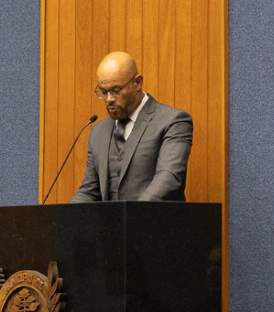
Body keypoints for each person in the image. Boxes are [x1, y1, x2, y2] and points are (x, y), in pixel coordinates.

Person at [70, 51, 193, 202]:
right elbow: (89, 192)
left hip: (155, 223)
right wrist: (62, 223)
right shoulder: (98, 132)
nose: (109, 99)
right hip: (111, 225)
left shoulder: (173, 121)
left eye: (116, 90)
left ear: (137, 83)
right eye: (103, 92)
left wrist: (132, 217)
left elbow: (168, 179)